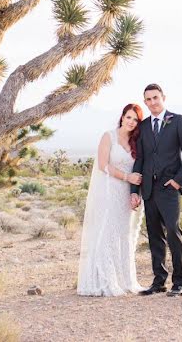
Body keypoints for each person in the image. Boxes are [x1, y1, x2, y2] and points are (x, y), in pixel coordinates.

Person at [130, 84, 182, 297]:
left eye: (155, 98)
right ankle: (159, 281)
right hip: (149, 188)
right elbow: (140, 158)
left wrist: (178, 181)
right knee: (154, 236)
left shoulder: (177, 121)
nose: (152, 102)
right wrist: (134, 189)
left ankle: (180, 282)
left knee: (173, 232)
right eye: (147, 99)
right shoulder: (144, 126)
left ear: (163, 98)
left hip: (169, 188)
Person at [76, 104, 146, 296]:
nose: (131, 122)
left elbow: (138, 167)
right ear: (122, 117)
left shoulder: (136, 141)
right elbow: (102, 165)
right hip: (110, 189)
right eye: (129, 117)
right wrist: (126, 177)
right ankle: (102, 279)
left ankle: (124, 279)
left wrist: (134, 190)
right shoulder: (109, 136)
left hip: (127, 192)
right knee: (107, 231)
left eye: (135, 119)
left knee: (123, 234)